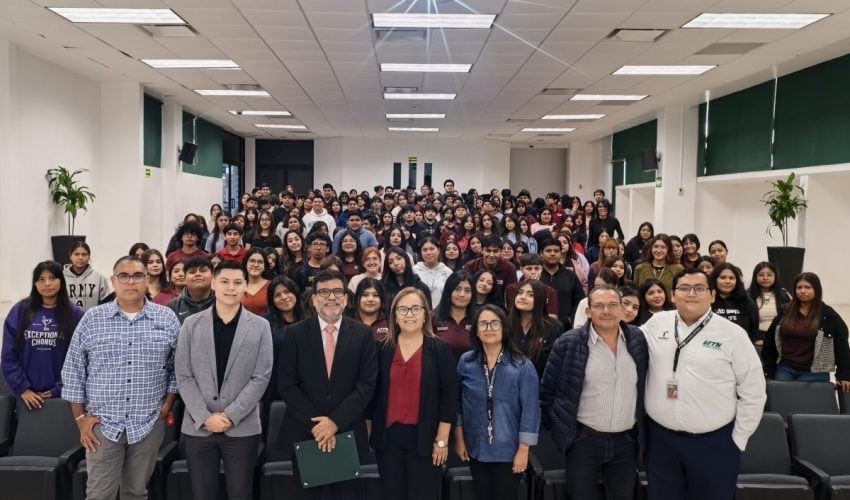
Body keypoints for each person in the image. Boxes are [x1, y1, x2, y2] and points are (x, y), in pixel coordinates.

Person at [62, 255, 181, 500]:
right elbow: (73, 370)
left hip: (148, 423)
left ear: (146, 279)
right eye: (123, 276)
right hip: (102, 425)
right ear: (113, 280)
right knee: (99, 494)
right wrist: (81, 418)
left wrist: (166, 405)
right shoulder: (92, 319)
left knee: (136, 492)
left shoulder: (167, 318)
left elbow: (177, 368)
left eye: (137, 275)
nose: (131, 282)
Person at [641, 268, 766, 500]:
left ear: (712, 295)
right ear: (673, 294)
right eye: (684, 288)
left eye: (699, 288)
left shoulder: (733, 334)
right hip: (661, 442)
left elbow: (754, 391)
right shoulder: (657, 323)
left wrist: (738, 439)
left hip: (714, 444)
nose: (691, 294)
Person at [175, 260, 272, 500]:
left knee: (240, 493)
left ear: (245, 286)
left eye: (237, 282)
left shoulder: (260, 326)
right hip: (199, 426)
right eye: (225, 282)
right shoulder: (191, 325)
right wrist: (205, 417)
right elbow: (184, 375)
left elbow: (261, 377)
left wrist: (230, 415)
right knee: (202, 494)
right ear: (214, 283)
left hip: (242, 427)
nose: (231, 288)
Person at [540, 284, 648, 500]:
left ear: (622, 309)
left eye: (612, 305)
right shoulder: (567, 343)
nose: (606, 311)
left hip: (626, 442)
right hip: (583, 441)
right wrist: (564, 433)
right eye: (599, 306)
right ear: (588, 311)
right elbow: (547, 393)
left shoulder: (638, 339)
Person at [277, 269, 378, 499]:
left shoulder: (363, 334)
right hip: (306, 432)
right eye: (324, 292)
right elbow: (287, 384)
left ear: (346, 298)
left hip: (347, 432)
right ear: (314, 299)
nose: (331, 297)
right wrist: (319, 426)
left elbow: (366, 385)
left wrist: (334, 422)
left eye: (337, 291)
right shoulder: (295, 333)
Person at [368, 287, 457, 500]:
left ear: (425, 314)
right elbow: (373, 395)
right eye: (403, 309)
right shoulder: (382, 348)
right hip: (388, 440)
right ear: (395, 315)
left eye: (416, 308)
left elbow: (449, 396)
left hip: (425, 440)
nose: (409, 314)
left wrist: (442, 441)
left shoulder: (439, 348)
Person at [455, 305, 539, 500]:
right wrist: (459, 439)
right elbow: (458, 404)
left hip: (509, 450)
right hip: (476, 447)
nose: (489, 328)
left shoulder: (522, 366)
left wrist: (524, 450)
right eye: (483, 324)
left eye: (495, 323)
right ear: (476, 331)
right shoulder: (466, 362)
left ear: (504, 328)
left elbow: (531, 411)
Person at [2, 261, 84, 408]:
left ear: (61, 280)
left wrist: (60, 387)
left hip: (65, 395)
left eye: (52, 278)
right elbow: (8, 355)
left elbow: (82, 358)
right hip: (26, 397)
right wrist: (23, 388)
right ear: (35, 283)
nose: (47, 283)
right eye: (41, 279)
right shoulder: (20, 311)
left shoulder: (75, 314)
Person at [762, 272, 850, 389]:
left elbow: (842, 345)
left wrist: (844, 374)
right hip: (785, 368)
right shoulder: (785, 311)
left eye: (807, 287)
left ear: (816, 289)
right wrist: (768, 369)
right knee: (782, 400)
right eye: (799, 287)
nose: (803, 291)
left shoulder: (828, 315)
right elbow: (770, 341)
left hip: (815, 372)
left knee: (808, 401)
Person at [507, 280, 563, 378]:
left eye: (530, 295)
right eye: (520, 293)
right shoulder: (505, 324)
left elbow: (557, 364)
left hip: (541, 382)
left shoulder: (553, 327)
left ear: (540, 299)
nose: (523, 297)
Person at [539, 238, 585, 329]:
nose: (552, 254)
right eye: (548, 251)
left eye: (556, 251)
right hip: (538, 328)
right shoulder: (534, 275)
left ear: (561, 253)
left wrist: (570, 319)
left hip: (566, 329)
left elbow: (580, 301)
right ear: (541, 253)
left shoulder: (570, 276)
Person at [463, 235, 518, 307]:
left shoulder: (509, 268)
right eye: (488, 251)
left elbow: (511, 296)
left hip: (499, 307)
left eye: (495, 251)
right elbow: (465, 290)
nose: (491, 255)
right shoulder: (470, 266)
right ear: (482, 250)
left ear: (501, 252)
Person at [432, 271, 475, 361]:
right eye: (457, 289)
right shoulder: (433, 318)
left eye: (467, 290)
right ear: (449, 291)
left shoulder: (478, 319)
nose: (462, 294)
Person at [710, 263, 759, 342]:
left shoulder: (746, 302)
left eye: (732, 278)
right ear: (715, 279)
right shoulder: (706, 301)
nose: (728, 281)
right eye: (723, 277)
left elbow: (753, 330)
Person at [748, 261, 791, 350]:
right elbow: (745, 322)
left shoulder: (783, 295)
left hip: (779, 338)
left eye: (769, 275)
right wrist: (755, 339)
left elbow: (789, 319)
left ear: (775, 276)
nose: (765, 278)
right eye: (761, 275)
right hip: (757, 340)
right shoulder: (747, 296)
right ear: (755, 276)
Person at [166, 255, 216, 324]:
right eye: (192, 272)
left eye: (203, 271)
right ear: (185, 277)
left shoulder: (224, 303)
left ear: (213, 276)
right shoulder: (172, 307)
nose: (198, 274)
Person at [63, 241, 111, 310]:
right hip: (68, 316)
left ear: (89, 257)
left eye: (84, 254)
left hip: (93, 316)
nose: (80, 258)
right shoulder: (62, 277)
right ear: (70, 256)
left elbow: (106, 303)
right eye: (76, 254)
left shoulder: (99, 278)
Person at [412, 237, 453, 306]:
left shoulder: (447, 272)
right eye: (425, 250)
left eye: (432, 249)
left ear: (438, 250)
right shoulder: (415, 270)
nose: (428, 253)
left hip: (440, 310)